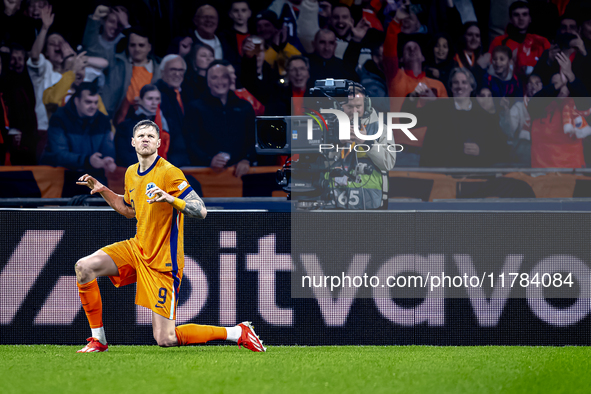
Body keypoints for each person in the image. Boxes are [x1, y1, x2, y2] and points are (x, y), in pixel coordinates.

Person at [74, 119, 266, 353]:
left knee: (166, 338)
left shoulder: (169, 172)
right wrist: (104, 190)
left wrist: (170, 198)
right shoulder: (131, 172)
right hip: (138, 249)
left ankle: (237, 332)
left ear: (159, 143)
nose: (145, 139)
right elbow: (129, 210)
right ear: (133, 142)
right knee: (84, 267)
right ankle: (98, 340)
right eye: (141, 135)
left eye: (150, 136)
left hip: (163, 261)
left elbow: (201, 210)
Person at [325, 85, 396, 209]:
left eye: (358, 106)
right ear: (339, 107)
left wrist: (367, 142)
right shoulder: (327, 129)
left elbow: (388, 163)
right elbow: (319, 164)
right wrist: (337, 142)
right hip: (334, 201)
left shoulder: (382, 129)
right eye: (349, 107)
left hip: (370, 203)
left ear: (366, 106)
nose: (354, 111)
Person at [183, 63, 255, 176]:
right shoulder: (195, 108)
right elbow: (191, 142)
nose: (220, 81)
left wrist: (247, 159)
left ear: (230, 80)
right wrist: (209, 160)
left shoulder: (244, 107)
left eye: (224, 77)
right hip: (207, 173)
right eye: (214, 77)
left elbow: (253, 139)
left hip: (242, 174)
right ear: (208, 81)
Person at [41, 81, 115, 175]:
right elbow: (58, 154)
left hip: (92, 176)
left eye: (96, 102)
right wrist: (87, 160)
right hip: (61, 178)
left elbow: (108, 148)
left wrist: (108, 159)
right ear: (76, 101)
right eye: (88, 102)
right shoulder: (59, 119)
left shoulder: (103, 120)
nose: (93, 106)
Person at [102, 28, 161, 123]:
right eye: (132, 45)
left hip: (150, 125)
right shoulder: (118, 66)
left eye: (141, 45)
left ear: (149, 47)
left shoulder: (159, 70)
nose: (137, 49)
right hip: (119, 124)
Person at [487, 1, 550, 77]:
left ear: (530, 19)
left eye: (525, 14)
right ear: (510, 19)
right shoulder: (499, 42)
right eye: (516, 15)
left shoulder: (541, 41)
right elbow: (491, 69)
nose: (521, 18)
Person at [154, 54, 190, 167]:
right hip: (168, 158)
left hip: (187, 157)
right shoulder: (155, 94)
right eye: (173, 70)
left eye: (180, 70)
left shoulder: (189, 93)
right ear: (162, 71)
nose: (177, 74)